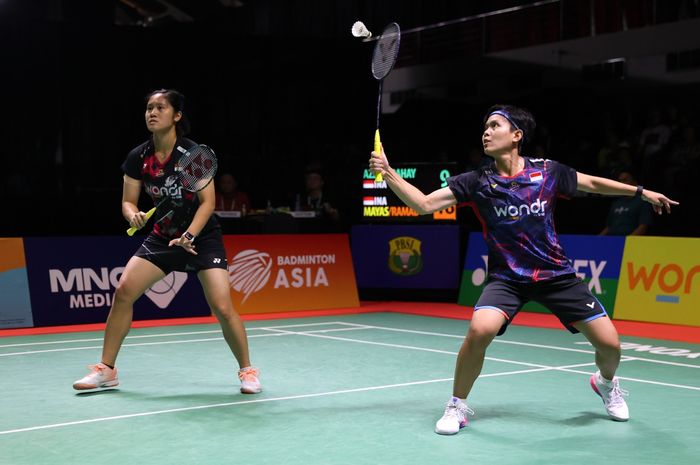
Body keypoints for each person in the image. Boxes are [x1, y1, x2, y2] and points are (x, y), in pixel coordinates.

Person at [369, 104, 678, 435]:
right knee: (479, 330)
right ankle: (457, 405)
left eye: (495, 125)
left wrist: (641, 193)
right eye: (485, 127)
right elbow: (423, 204)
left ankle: (605, 383)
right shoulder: (476, 182)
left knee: (611, 346)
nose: (486, 132)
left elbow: (592, 184)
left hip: (556, 276)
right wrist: (388, 171)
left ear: (516, 135)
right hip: (507, 279)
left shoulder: (547, 172)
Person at [73, 89, 261, 394]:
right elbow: (128, 202)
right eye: (149, 107)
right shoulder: (139, 157)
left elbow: (207, 203)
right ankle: (106, 370)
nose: (152, 112)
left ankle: (247, 371)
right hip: (163, 236)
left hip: (201, 237)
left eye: (160, 107)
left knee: (222, 306)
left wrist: (189, 235)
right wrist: (133, 214)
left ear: (177, 116)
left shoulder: (193, 156)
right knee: (123, 291)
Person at [600, 170, 653, 236]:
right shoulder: (616, 203)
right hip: (612, 241)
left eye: (625, 180)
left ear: (635, 182)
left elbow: (643, 227)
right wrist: (597, 239)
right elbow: (609, 227)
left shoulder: (643, 202)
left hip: (631, 243)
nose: (621, 184)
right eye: (620, 181)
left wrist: (626, 240)